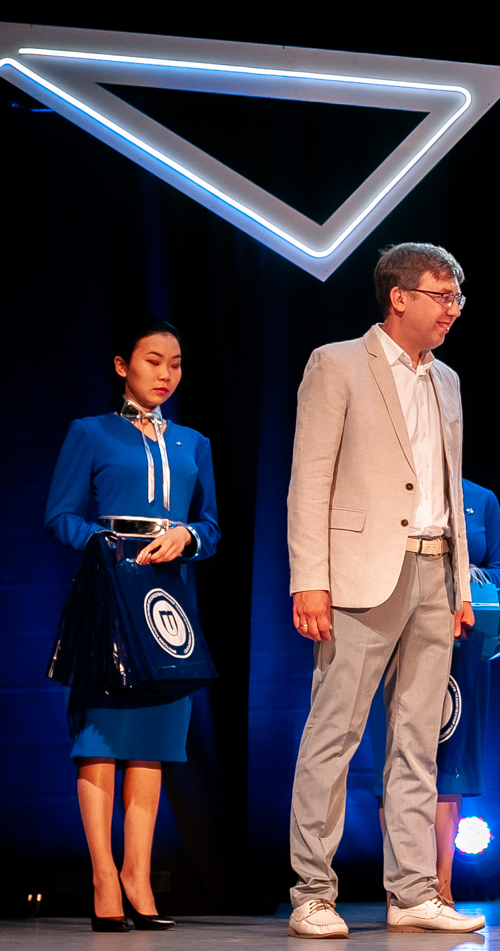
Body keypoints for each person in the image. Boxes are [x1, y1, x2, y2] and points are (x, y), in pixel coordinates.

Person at [284, 243, 483, 938]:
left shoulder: (446, 379)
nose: (453, 309)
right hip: (359, 575)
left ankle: (413, 892)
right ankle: (313, 891)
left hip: (434, 569)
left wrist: (460, 584)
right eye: (442, 295)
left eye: (457, 297)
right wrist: (310, 580)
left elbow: (451, 489)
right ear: (400, 297)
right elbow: (309, 480)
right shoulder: (337, 363)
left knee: (419, 740)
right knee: (334, 734)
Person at [44, 318, 220, 933]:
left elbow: (212, 526)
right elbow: (60, 515)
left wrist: (188, 536)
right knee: (101, 740)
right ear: (123, 365)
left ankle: (137, 878)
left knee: (153, 741)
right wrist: (104, 542)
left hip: (169, 601)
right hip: (109, 593)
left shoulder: (194, 442)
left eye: (176, 363)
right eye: (153, 361)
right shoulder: (90, 432)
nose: (166, 374)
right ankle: (103, 880)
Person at [366, 477, 500, 905]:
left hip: (462, 640)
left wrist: (465, 577)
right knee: (395, 758)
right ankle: (400, 891)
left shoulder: (482, 498)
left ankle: (441, 890)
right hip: (395, 633)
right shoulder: (391, 488)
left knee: (450, 768)